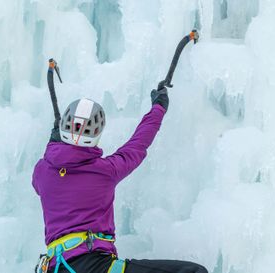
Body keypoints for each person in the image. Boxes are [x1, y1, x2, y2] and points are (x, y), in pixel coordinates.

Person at [32, 60, 208, 273]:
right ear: (96, 133)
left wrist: (54, 143)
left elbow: (50, 169)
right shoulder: (105, 171)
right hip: (95, 266)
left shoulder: (42, 172)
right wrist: (158, 107)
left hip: (53, 267)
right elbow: (138, 145)